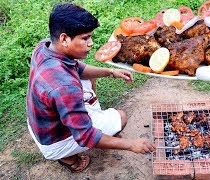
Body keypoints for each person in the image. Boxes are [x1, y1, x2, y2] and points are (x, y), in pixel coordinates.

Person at [26, 3, 155, 173]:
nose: (91, 43)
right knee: (121, 117)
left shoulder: (45, 46)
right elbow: (86, 136)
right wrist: (131, 144)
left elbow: (77, 68)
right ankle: (67, 158)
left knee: (90, 75)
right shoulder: (64, 86)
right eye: (85, 38)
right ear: (64, 39)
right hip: (54, 141)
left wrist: (111, 71)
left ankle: (88, 116)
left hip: (39, 123)